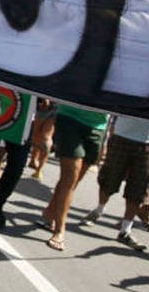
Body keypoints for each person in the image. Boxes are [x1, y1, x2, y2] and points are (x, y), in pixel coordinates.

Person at [78, 115, 149, 251]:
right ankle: (99, 209)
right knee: (109, 177)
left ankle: (125, 230)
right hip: (122, 135)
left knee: (139, 185)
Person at [36, 104, 109, 251]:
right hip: (70, 118)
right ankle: (59, 230)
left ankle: (50, 212)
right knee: (69, 176)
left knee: (74, 179)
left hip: (98, 126)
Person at [28, 98, 57, 179]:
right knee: (45, 136)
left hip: (46, 102)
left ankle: (36, 163)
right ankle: (37, 167)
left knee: (38, 134)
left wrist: (45, 98)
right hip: (58, 103)